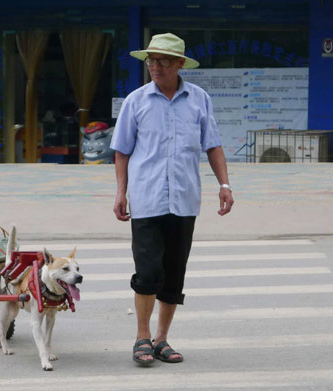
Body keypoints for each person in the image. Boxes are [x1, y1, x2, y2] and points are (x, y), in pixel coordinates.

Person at [110, 33, 234, 367]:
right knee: (147, 272)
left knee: (173, 274)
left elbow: (213, 145)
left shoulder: (199, 99)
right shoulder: (136, 101)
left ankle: (161, 339)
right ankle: (141, 337)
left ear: (180, 64)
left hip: (184, 200)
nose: (156, 66)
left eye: (164, 61)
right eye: (151, 60)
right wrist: (121, 192)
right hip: (147, 199)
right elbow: (121, 152)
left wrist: (225, 184)